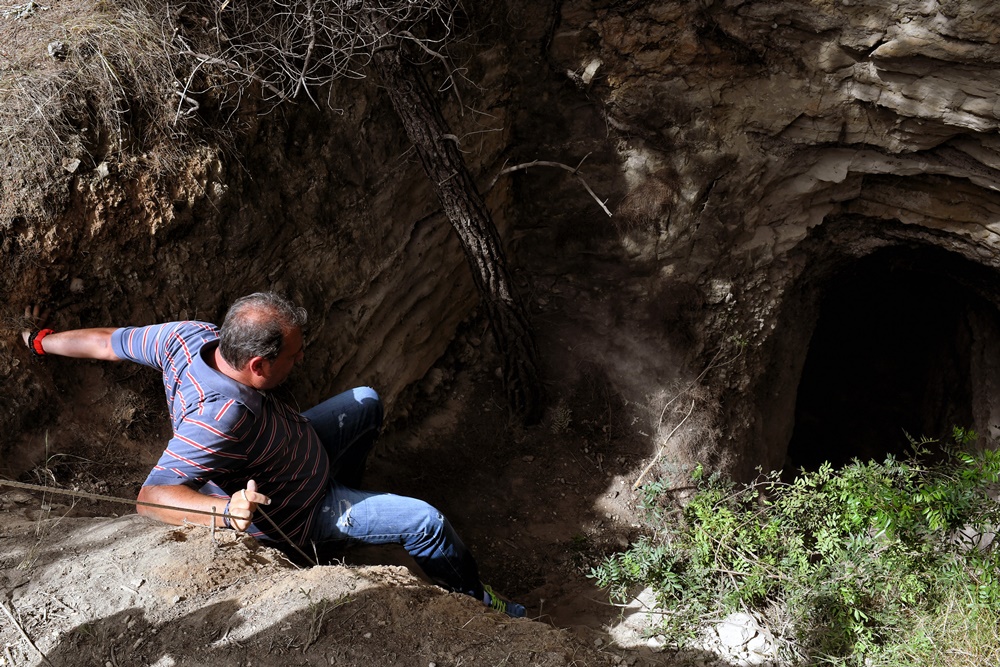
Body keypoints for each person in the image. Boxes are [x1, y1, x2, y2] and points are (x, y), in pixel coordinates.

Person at [21, 293, 525, 617]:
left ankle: (351, 500)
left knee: (367, 402)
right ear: (258, 365)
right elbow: (151, 498)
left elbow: (109, 343)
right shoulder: (220, 417)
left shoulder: (188, 337)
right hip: (301, 511)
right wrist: (224, 511)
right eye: (292, 355)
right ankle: (476, 599)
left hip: (298, 448)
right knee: (427, 523)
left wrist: (41, 342)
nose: (300, 359)